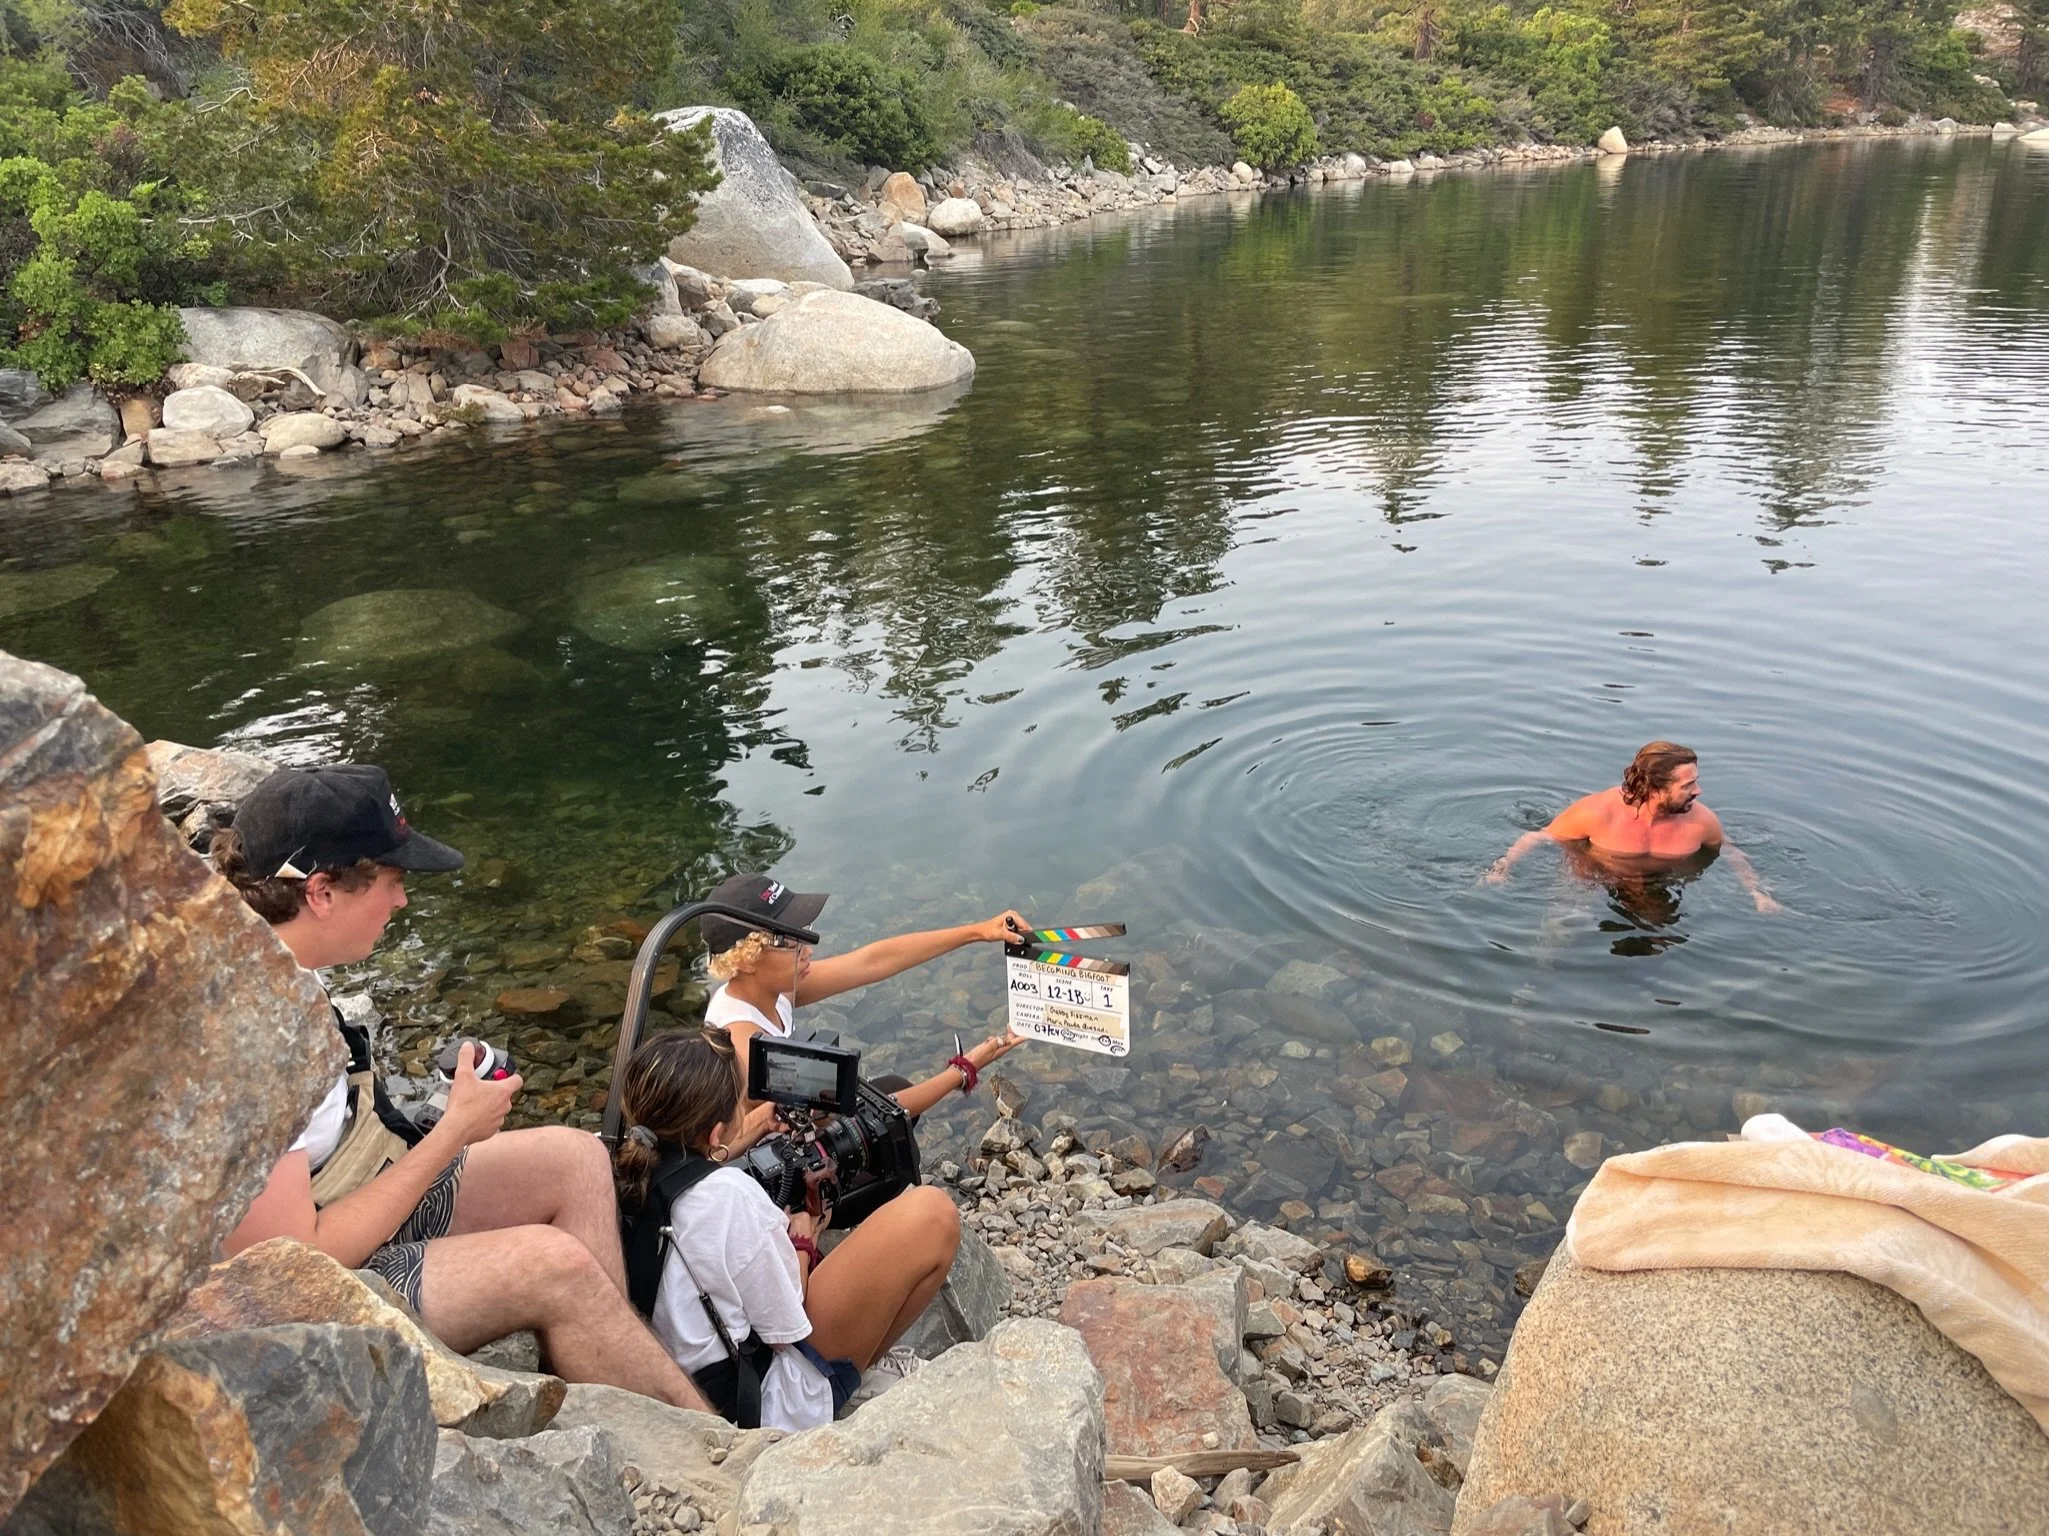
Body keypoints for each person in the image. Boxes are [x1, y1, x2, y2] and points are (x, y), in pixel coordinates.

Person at [216, 764, 712, 1412]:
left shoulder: (271, 962)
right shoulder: (252, 1030)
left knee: (576, 1156)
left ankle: (617, 1366)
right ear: (321, 892)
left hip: (346, 1191)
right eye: (392, 883)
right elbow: (286, 1264)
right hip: (297, 1301)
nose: (401, 902)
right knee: (552, 1265)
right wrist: (453, 1131)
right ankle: (705, 1441)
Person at [614, 1028, 963, 1430]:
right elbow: (786, 1328)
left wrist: (752, 1134)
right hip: (761, 1405)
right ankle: (855, 1378)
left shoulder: (621, 1170)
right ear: (714, 1132)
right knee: (932, 1213)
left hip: (682, 1386)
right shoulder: (728, 1197)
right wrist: (803, 1237)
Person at [1485, 739, 1780, 913]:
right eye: (1688, 784)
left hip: (1661, 888)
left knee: (1664, 940)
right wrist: (1502, 869)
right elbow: (1538, 837)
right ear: (1655, 787)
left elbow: (1729, 852)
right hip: (1592, 881)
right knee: (1558, 933)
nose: (1698, 791)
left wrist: (1757, 893)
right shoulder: (1597, 812)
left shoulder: (1702, 822)